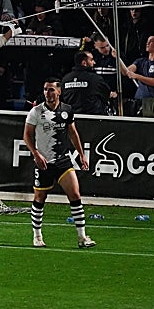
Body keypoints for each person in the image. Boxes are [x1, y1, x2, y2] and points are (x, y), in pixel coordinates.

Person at [24, 78, 95, 249]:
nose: (47, 93)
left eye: (51, 90)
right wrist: (36, 154)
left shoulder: (67, 110)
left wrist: (81, 155)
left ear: (59, 92)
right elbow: (27, 135)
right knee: (39, 198)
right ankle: (37, 235)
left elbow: (73, 133)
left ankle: (82, 237)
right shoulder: (36, 111)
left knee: (75, 195)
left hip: (63, 161)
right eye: (45, 89)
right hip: (44, 163)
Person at [124, 34, 154, 117]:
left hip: (153, 102)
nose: (147, 43)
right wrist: (117, 58)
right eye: (147, 41)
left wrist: (137, 76)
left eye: (151, 41)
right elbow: (126, 72)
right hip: (138, 101)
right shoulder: (141, 61)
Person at [60, 51, 115, 116]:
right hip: (93, 117)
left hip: (72, 117)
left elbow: (62, 97)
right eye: (91, 60)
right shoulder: (95, 79)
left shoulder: (65, 79)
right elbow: (107, 94)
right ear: (84, 63)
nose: (94, 62)